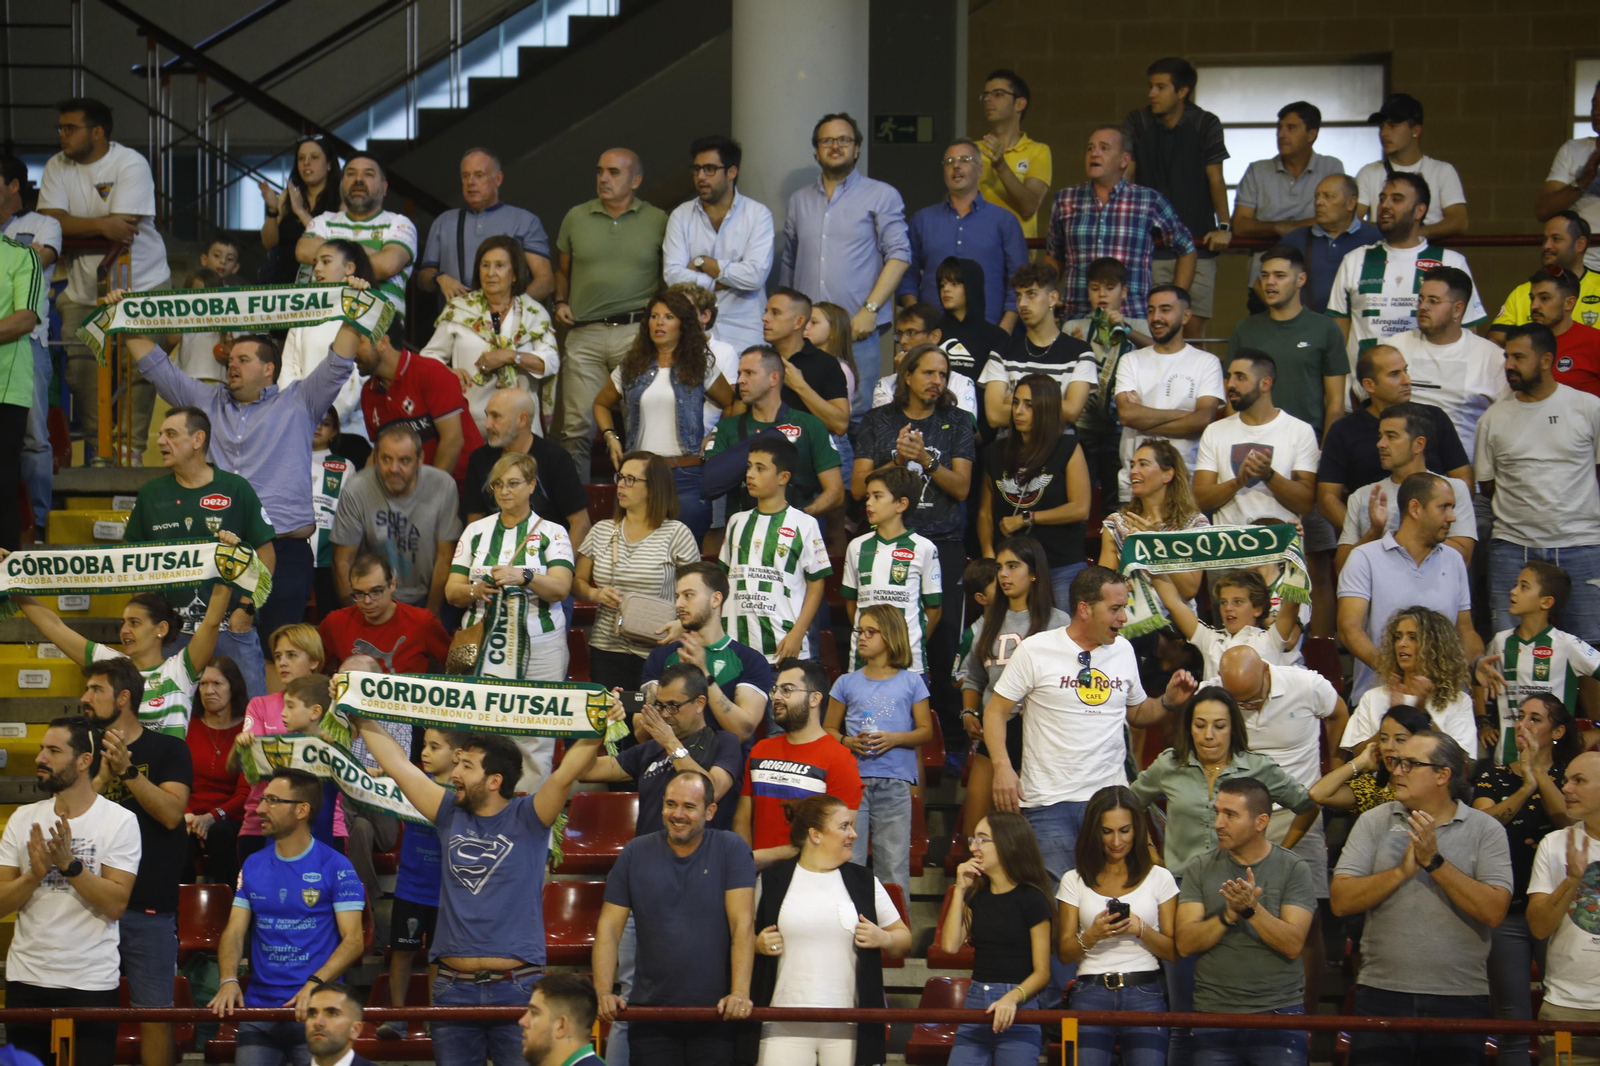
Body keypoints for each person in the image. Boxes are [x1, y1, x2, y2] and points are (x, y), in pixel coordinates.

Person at [118, 304, 368, 650]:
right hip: (219, 552)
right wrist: (122, 316)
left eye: (243, 359)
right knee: (211, 659)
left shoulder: (301, 401)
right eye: (230, 359)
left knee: (282, 652)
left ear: (269, 369)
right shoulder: (206, 401)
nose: (231, 364)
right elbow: (158, 368)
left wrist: (356, 305)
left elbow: (339, 362)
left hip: (285, 549)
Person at [355, 724, 607, 1066]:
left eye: (466, 766)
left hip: (517, 989)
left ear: (494, 781)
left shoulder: (530, 816)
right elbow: (398, 766)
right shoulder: (447, 811)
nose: (454, 773)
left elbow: (566, 774)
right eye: (457, 764)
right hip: (452, 989)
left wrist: (598, 722)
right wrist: (356, 710)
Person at [981, 565, 1200, 886]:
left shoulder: (1123, 650)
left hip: (1109, 803)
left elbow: (1137, 713)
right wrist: (1002, 766)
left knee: (1110, 894)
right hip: (1048, 801)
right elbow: (995, 712)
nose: (1123, 618)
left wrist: (1167, 701)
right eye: (1115, 609)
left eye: (1123, 608)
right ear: (1084, 609)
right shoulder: (1035, 649)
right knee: (1059, 900)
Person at [1330, 731, 1513, 1065]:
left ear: (1443, 774)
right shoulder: (1374, 821)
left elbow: (1494, 911)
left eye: (1410, 764)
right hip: (1381, 993)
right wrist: (1400, 872)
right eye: (1396, 762)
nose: (1397, 770)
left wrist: (1434, 863)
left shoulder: (1486, 830)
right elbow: (1341, 900)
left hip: (1460, 998)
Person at [0, 715, 139, 1066]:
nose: (39, 758)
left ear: (83, 761)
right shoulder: (22, 818)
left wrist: (70, 866)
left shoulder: (119, 821)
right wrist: (34, 874)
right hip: (27, 979)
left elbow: (116, 904)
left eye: (53, 750)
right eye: (41, 749)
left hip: (90, 982)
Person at [592, 771, 755, 1066]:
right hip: (649, 1015)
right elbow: (608, 927)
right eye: (671, 804)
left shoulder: (732, 848)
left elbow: (742, 925)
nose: (677, 814)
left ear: (710, 811)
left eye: (689, 807)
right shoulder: (634, 852)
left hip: (716, 1014)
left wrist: (740, 993)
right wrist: (603, 990)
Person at [77, 652, 192, 1066]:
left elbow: (171, 813)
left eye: (96, 690)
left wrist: (128, 772)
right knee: (87, 1016)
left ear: (123, 698)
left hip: (150, 906)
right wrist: (103, 775)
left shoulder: (168, 749)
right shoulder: (79, 754)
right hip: (87, 905)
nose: (84, 697)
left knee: (154, 1015)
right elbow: (67, 820)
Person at [41, 97, 169, 464]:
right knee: (81, 370)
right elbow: (49, 220)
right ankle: (100, 450)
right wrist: (100, 224)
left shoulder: (129, 163)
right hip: (83, 288)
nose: (62, 135)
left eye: (70, 128)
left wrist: (74, 226)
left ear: (97, 132)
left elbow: (124, 227)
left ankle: (131, 451)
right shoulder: (56, 165)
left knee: (140, 369)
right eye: (61, 128)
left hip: (141, 282)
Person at [208, 768, 365, 1066]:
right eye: (263, 799)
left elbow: (354, 941)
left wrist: (313, 984)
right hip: (258, 1010)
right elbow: (234, 932)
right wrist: (229, 979)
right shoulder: (253, 864)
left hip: (315, 1012)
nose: (261, 808)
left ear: (302, 810)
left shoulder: (336, 866)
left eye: (272, 801)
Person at [746, 794, 911, 1066]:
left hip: (849, 1025)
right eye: (844, 826)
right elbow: (741, 938)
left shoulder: (864, 881)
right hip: (783, 1022)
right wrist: (757, 944)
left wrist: (884, 937)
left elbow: (903, 939)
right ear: (816, 834)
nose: (854, 834)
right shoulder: (771, 880)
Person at [124, 405, 274, 695]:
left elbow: (265, 554)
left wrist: (247, 608)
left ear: (197, 440)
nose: (160, 441)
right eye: (161, 434)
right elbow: (133, 563)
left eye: (171, 434)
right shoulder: (151, 495)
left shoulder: (236, 489)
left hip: (230, 628)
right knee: (169, 716)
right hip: (172, 634)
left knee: (250, 714)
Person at [852, 348, 974, 696]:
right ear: (907, 375)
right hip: (884, 544)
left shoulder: (959, 421)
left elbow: (963, 488)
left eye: (943, 375)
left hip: (942, 542)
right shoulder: (877, 420)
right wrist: (896, 460)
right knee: (880, 629)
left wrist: (925, 460)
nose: (937, 381)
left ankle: (947, 735)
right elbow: (858, 486)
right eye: (928, 373)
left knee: (946, 634)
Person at [1174, 777, 1317, 1066]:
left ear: (1261, 821)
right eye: (1217, 812)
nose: (1218, 823)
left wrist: (1252, 909)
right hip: (1213, 1015)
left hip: (1278, 1016)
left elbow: (1292, 945)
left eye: (1230, 815)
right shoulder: (1199, 868)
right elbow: (1185, 943)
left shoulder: (1293, 868)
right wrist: (1228, 915)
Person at [777, 113, 911, 416]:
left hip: (856, 329)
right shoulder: (799, 200)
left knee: (856, 414)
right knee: (801, 412)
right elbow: (789, 263)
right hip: (805, 333)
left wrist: (871, 310)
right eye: (827, 140)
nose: (835, 146)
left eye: (844, 140)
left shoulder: (881, 195)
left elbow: (900, 255)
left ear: (857, 149)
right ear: (816, 150)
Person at [1473, 693, 1581, 1066]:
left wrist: (1540, 775)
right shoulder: (1493, 775)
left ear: (1558, 730)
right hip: (1508, 909)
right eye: (1521, 717)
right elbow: (1484, 826)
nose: (1524, 725)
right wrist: (1524, 788)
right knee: (1512, 1019)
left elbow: (1569, 822)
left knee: (1564, 1005)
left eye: (1536, 719)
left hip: (1560, 910)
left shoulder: (1573, 780)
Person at [1477, 324, 1600, 644]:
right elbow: (1487, 485)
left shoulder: (1589, 408)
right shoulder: (1492, 418)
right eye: (1506, 356)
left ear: (1546, 360)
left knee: (1592, 649)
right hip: (1513, 548)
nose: (1508, 365)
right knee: (1507, 646)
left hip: (1583, 545)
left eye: (1518, 357)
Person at [552, 148, 668, 480]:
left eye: (614, 172)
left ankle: (639, 499)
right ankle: (577, 511)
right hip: (584, 332)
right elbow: (562, 269)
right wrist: (560, 301)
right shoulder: (576, 216)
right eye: (600, 171)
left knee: (639, 422)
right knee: (576, 427)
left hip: (636, 333)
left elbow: (670, 273)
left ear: (636, 180)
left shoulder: (658, 219)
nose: (604, 178)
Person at [1132, 687, 1317, 881]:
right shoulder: (1169, 764)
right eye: (1200, 725)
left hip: (1239, 884)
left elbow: (1308, 806)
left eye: (1219, 726)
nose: (1209, 735)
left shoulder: (1259, 767)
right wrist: (1149, 851)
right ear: (1189, 728)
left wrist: (1279, 854)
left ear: (1233, 728)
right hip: (1180, 883)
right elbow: (1130, 803)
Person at [593, 289, 734, 541]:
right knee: (637, 554)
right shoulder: (631, 365)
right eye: (654, 316)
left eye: (668, 317)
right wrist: (611, 437)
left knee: (686, 561)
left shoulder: (701, 364)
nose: (659, 322)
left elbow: (732, 404)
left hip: (686, 474)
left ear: (683, 324)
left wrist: (714, 437)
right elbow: (601, 404)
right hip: (639, 475)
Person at [12, 579, 232, 738]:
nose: (124, 630)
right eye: (123, 623)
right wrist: (11, 581)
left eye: (134, 623)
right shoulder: (110, 664)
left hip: (164, 786)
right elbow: (53, 626)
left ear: (161, 629)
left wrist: (228, 567)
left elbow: (212, 620)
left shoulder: (181, 669)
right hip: (113, 786)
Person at [1055, 787, 1177, 1066]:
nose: (1116, 841)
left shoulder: (1160, 877)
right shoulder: (1073, 879)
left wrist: (1141, 929)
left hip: (1145, 991)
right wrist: (1092, 935)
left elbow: (1173, 951)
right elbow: (1064, 952)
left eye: (1125, 830)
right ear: (1093, 832)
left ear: (1138, 829)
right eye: (1106, 831)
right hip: (1089, 992)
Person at [959, 537, 1069, 841]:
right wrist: (969, 711)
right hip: (995, 733)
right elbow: (974, 678)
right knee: (976, 833)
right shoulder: (988, 623)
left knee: (1022, 836)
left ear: (1034, 573)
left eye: (1012, 566)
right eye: (999, 568)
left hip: (1039, 738)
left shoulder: (1059, 624)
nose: (1003, 575)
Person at [1338, 472, 1480, 703]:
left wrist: (1478, 662)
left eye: (1452, 508)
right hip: (1379, 699)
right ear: (1415, 509)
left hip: (1442, 702)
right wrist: (1397, 673)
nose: (1452, 517)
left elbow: (1465, 630)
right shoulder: (1364, 557)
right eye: (1443, 507)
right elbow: (1348, 628)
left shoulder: (1454, 560)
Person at [823, 604, 934, 900]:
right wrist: (848, 742)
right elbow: (828, 731)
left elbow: (926, 731)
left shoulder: (911, 682)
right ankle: (849, 935)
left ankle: (897, 941)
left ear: (891, 636)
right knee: (849, 861)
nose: (861, 637)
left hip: (894, 783)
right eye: (860, 631)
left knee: (893, 866)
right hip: (852, 784)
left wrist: (895, 738)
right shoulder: (846, 681)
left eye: (870, 632)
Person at [1328, 173, 1487, 369]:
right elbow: (1336, 340)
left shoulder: (1451, 262)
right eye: (1382, 198)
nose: (1385, 205)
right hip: (1364, 390)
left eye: (1396, 199)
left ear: (1419, 211)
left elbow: (1468, 331)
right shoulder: (1354, 260)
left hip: (1431, 387)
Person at [1122, 57, 1230, 338]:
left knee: (1192, 333)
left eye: (1160, 87)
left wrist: (1225, 226)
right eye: (1150, 86)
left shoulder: (1206, 123)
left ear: (1182, 92)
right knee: (1152, 331)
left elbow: (1215, 177)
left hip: (1198, 243)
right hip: (1150, 248)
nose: (1151, 94)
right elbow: (1126, 176)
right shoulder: (1137, 121)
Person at [574, 452, 700, 691]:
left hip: (659, 646)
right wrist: (595, 595)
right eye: (620, 477)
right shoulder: (601, 530)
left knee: (651, 722)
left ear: (654, 487)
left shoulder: (676, 533)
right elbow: (577, 581)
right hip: (606, 646)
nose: (621, 484)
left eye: (631, 479)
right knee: (613, 723)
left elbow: (697, 594)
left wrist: (682, 626)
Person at [1316, 344, 1474, 532]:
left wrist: (1447, 528)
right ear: (1369, 385)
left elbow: (1462, 478)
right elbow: (1328, 498)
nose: (1407, 380)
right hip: (1370, 535)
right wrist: (1365, 537)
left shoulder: (1434, 418)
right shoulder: (1343, 430)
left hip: (1436, 533)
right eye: (1394, 374)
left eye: (1405, 371)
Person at [447, 452, 575, 681]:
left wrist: (525, 577)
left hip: (541, 646)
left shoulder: (553, 532)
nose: (504, 491)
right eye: (498, 484)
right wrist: (474, 591)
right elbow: (452, 592)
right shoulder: (475, 531)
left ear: (532, 485)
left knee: (538, 715)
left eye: (513, 483)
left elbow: (561, 589)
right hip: (481, 641)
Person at [940, 810, 1054, 1066]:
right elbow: (949, 946)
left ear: (1007, 843)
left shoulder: (1032, 899)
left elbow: (1042, 972)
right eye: (973, 840)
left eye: (982, 839)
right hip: (976, 1001)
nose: (973, 847)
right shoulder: (976, 897)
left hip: (1019, 1005)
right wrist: (960, 889)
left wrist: (1011, 998)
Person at [1046, 125, 1195, 321]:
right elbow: (1054, 255)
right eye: (1090, 148)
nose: (1094, 154)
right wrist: (1049, 295)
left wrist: (1175, 302)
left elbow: (1186, 248)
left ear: (1124, 160)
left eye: (1104, 148)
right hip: (1077, 317)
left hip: (1131, 317)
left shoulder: (1148, 201)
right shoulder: (1065, 199)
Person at [421, 234, 559, 437]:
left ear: (514, 274)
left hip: (519, 425)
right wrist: (446, 372)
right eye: (485, 265)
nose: (491, 273)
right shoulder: (459, 309)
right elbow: (428, 358)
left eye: (499, 266)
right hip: (469, 422)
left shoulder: (534, 313)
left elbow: (551, 363)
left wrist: (510, 356)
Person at [734, 659, 863, 870]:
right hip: (756, 878)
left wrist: (760, 858)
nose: (776, 697)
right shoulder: (760, 750)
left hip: (808, 883)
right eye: (775, 689)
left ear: (814, 699)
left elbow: (838, 838)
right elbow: (742, 817)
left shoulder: (840, 759)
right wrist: (746, 863)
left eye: (787, 690)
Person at [584, 664, 745, 831]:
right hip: (649, 852)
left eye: (673, 706)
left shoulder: (724, 741)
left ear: (699, 703)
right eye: (660, 706)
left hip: (702, 854)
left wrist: (670, 743)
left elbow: (712, 792)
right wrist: (600, 720)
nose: (665, 714)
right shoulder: (650, 748)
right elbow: (587, 771)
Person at [977, 373, 1091, 605]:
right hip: (1011, 568)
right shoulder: (995, 452)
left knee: (1062, 637)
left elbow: (1080, 508)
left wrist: (1026, 519)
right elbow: (985, 513)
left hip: (1060, 564)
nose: (1018, 411)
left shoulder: (1067, 447)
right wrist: (990, 559)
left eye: (1029, 405)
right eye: (1016, 402)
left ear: (1046, 409)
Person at [231, 625, 341, 865]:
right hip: (261, 824)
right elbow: (243, 765)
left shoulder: (335, 708)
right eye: (278, 656)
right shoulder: (259, 705)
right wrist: (242, 745)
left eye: (291, 655)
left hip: (327, 825)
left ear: (314, 661)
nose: (282, 662)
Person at [717, 437, 831, 663]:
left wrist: (798, 633)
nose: (750, 474)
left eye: (760, 468)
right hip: (736, 648)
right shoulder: (737, 522)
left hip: (783, 645)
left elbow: (816, 583)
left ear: (783, 477)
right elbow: (722, 579)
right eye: (749, 466)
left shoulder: (804, 523)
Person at [330, 422, 462, 614]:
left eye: (404, 460)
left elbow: (445, 558)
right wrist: (355, 617)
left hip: (428, 595)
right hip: (373, 599)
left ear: (420, 460)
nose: (394, 468)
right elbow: (342, 562)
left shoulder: (443, 486)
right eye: (386, 459)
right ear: (375, 458)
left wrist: (430, 615)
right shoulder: (356, 489)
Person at [639, 561, 774, 748]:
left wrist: (704, 674)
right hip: (665, 764)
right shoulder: (660, 657)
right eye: (677, 596)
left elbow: (742, 731)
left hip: (722, 766)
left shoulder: (750, 661)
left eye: (688, 595)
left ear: (715, 599)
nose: (678, 604)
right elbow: (641, 732)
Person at [705, 345, 845, 521]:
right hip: (743, 532)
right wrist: (767, 439)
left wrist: (799, 517)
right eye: (739, 373)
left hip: (798, 532)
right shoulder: (727, 427)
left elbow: (836, 492)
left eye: (749, 373)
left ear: (774, 378)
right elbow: (708, 485)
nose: (740, 380)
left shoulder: (810, 425)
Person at [900, 139, 1027, 334]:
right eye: (949, 161)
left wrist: (1004, 331)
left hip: (991, 330)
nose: (956, 166)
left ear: (980, 169)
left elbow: (1019, 279)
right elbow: (907, 275)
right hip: (933, 333)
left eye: (965, 159)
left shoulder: (1004, 221)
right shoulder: (922, 220)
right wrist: (916, 321)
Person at [374, 726, 452, 1042]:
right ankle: (398, 1016)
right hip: (410, 886)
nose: (424, 752)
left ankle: (434, 1016)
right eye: (424, 745)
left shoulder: (463, 790)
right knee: (402, 952)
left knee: (437, 955)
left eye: (435, 747)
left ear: (456, 754)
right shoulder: (412, 781)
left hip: (445, 891)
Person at [662, 134, 773, 353]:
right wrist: (721, 280)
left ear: (732, 172)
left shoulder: (758, 214)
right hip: (694, 327)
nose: (701, 176)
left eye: (710, 169)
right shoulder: (681, 216)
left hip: (746, 329)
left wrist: (703, 262)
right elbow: (673, 276)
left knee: (745, 387)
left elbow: (755, 276)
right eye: (696, 169)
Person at [1225, 244, 1348, 441]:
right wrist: (1231, 442)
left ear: (1301, 279)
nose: (1270, 282)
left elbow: (1335, 402)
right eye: (1265, 275)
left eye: (1279, 276)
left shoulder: (1326, 329)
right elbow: (1232, 395)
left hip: (1306, 441)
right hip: (1250, 441)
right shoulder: (1244, 328)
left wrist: (1326, 451)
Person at [1336, 402, 1477, 573]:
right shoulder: (1362, 496)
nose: (1380, 444)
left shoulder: (1452, 489)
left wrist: (1415, 530)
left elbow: (1464, 559)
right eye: (1380, 436)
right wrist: (1374, 532)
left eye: (1391, 436)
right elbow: (1341, 568)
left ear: (1418, 444)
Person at [1112, 285, 1224, 500]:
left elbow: (1202, 420)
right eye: (1151, 310)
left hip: (1185, 481)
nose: (1156, 317)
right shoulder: (1130, 360)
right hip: (1135, 482)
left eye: (1165, 309)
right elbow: (1127, 415)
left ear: (1186, 316)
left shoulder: (1206, 362)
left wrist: (1143, 416)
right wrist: (1184, 414)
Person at [1479, 563, 1600, 760]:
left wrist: (1597, 731)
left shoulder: (1567, 645)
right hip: (1507, 758)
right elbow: (1479, 678)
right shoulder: (1500, 642)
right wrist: (1482, 721)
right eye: (1515, 584)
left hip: (1556, 761)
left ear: (1546, 602)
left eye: (1523, 586)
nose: (1513, 591)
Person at [1525, 750, 1600, 1066]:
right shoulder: (1554, 844)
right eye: (1566, 779)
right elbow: (1539, 927)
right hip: (1569, 1005)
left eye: (1578, 781)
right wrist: (1572, 879)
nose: (1565, 788)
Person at [0, 153, 62, 535]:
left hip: (28, 345)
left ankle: (38, 524)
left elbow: (42, 258)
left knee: (34, 437)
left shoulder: (43, 224)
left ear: (13, 184)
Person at [1387, 266, 1509, 456]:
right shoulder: (1394, 347)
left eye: (1433, 301)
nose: (1423, 307)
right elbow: (1364, 398)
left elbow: (1507, 420)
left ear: (1458, 309)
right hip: (1401, 470)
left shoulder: (1491, 357)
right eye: (1420, 300)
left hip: (1464, 474)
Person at [1192, 350, 1319, 527]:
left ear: (1265, 384)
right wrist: (1239, 481)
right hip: (1230, 547)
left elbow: (1305, 504)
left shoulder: (1300, 431)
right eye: (1229, 377)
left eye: (1240, 377)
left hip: (1281, 545)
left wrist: (1268, 475)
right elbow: (1199, 500)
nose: (1230, 384)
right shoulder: (1215, 431)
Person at [356, 314, 486, 485]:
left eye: (359, 342)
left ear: (382, 342)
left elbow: (452, 440)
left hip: (466, 490)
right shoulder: (368, 392)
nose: (352, 351)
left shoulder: (430, 372)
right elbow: (379, 452)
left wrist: (426, 497)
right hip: (410, 496)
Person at [1229, 101, 1346, 291]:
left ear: (1312, 134)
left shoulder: (1331, 167)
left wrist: (1290, 228)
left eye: (1291, 128)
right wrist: (1277, 227)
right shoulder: (1257, 170)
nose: (1281, 135)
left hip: (1318, 276)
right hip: (1265, 282)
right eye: (1279, 128)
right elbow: (1240, 225)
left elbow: (1337, 220)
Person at [1095, 440, 1209, 632]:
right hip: (1129, 622)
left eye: (1143, 464)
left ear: (1167, 474)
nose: (1133, 471)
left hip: (1176, 624)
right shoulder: (1116, 523)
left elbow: (1189, 590)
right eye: (1132, 465)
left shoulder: (1194, 524)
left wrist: (1156, 542)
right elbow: (1102, 585)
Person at [1064, 258, 1152, 506]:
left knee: (1119, 502)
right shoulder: (1074, 327)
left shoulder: (1138, 326)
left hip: (1121, 429)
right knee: (1080, 498)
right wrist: (1074, 346)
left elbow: (1161, 351)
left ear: (1124, 291)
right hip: (1082, 426)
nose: (1102, 294)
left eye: (1109, 288)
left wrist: (1125, 330)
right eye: (1094, 288)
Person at [840, 464, 942, 675]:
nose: (868, 502)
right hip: (862, 662)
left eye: (877, 496)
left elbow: (934, 609)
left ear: (901, 504)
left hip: (910, 663)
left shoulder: (924, 548)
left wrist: (911, 641)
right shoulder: (856, 547)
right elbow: (851, 603)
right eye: (868, 496)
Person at [461, 389, 591, 554]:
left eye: (496, 416)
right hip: (493, 558)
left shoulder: (555, 458)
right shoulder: (479, 459)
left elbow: (580, 523)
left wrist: (562, 570)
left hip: (546, 558)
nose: (487, 424)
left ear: (522, 420)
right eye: (487, 416)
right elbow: (474, 522)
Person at [418, 147, 553, 301]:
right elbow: (423, 279)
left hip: (508, 322)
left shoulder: (525, 221)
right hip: (455, 321)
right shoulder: (444, 221)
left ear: (498, 179)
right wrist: (439, 278)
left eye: (479, 175)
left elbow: (545, 282)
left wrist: (508, 309)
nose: (471, 182)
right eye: (465, 176)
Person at [1343, 601, 1478, 755]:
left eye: (1412, 638)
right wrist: (1394, 718)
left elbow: (1458, 761)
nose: (1401, 644)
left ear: (1435, 647)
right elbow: (1358, 754)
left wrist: (1423, 715)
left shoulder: (1458, 701)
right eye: (1398, 637)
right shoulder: (1372, 697)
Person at [978, 261, 1097, 431]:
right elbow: (995, 416)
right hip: (1011, 448)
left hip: (1060, 448)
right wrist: (1054, 405)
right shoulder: (1002, 351)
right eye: (1018, 296)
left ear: (1053, 298)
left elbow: (1071, 412)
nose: (1023, 303)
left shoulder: (1079, 352)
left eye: (1031, 294)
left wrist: (1014, 400)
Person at [295, 154, 417, 319]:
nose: (358, 179)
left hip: (378, 331)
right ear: (341, 184)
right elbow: (303, 250)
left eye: (368, 174)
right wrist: (373, 253)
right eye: (351, 174)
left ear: (384, 187)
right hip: (322, 323)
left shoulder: (399, 223)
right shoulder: (324, 220)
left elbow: (388, 264)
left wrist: (331, 255)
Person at [281, 239, 373, 444]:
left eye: (326, 261)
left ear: (349, 268)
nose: (318, 269)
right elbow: (289, 367)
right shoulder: (305, 312)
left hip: (349, 431)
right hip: (300, 425)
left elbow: (361, 374)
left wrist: (330, 418)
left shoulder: (365, 306)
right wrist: (298, 412)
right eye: (315, 263)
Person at [1353, 93, 1469, 238]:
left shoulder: (1442, 171)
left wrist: (1414, 234)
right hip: (1384, 256)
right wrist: (1398, 230)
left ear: (1416, 131)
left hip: (1427, 257)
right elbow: (1352, 221)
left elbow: (1459, 222)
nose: (1384, 133)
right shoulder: (1369, 172)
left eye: (1393, 126)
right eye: (1381, 126)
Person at [1150, 570, 1299, 680]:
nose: (1228, 608)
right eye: (1223, 602)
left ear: (1258, 609)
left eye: (1238, 602)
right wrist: (1149, 558)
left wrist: (1295, 543)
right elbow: (1173, 603)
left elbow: (1292, 602)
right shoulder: (1209, 639)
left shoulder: (1271, 639)